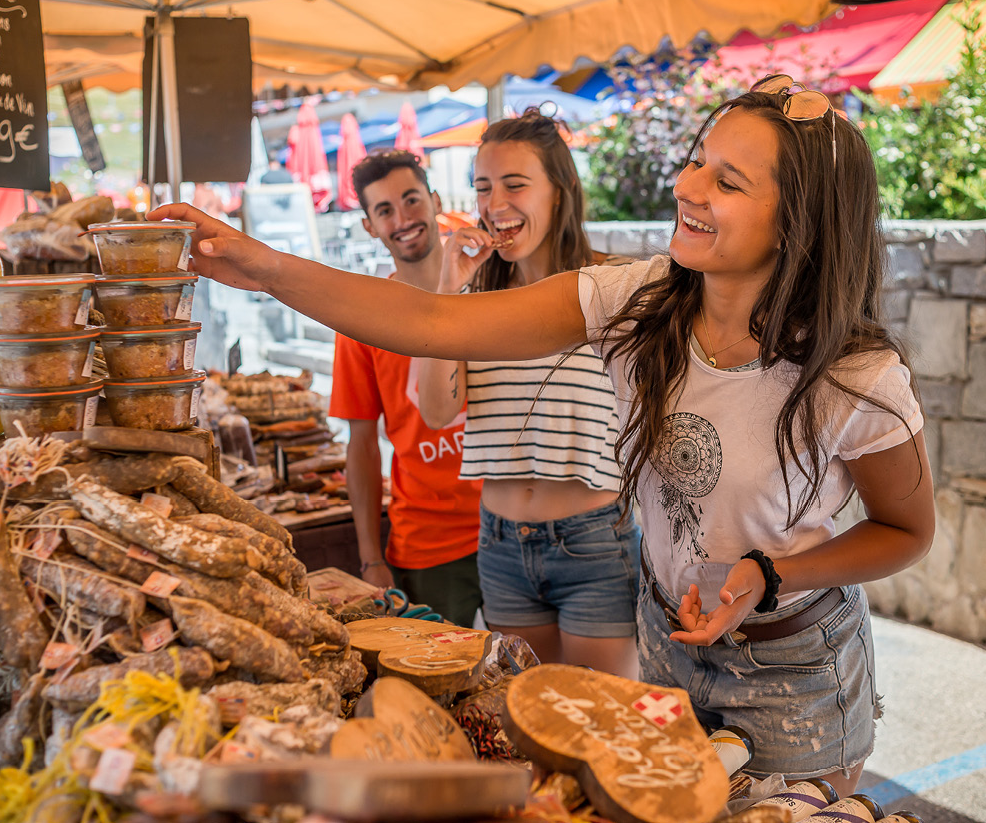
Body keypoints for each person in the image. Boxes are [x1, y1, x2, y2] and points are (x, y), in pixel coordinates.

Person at [149, 73, 935, 792]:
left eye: (725, 181)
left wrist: (768, 569)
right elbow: (430, 318)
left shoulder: (853, 373)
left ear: (797, 220)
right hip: (669, 637)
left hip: (795, 662)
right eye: (698, 160)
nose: (685, 185)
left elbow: (906, 532)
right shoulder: (641, 299)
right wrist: (262, 264)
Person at [414, 112, 640, 677]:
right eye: (484, 188)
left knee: (600, 720)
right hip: (499, 543)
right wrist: (449, 286)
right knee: (528, 717)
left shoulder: (614, 286)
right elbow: (437, 411)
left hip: (594, 540)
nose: (496, 203)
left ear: (560, 192)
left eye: (516, 184)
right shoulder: (472, 300)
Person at [328, 150, 483, 628]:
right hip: (425, 543)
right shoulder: (361, 321)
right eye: (384, 210)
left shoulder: (491, 293)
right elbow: (361, 444)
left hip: (511, 529)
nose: (403, 219)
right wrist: (371, 557)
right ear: (370, 226)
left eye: (412, 200)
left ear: (435, 201)